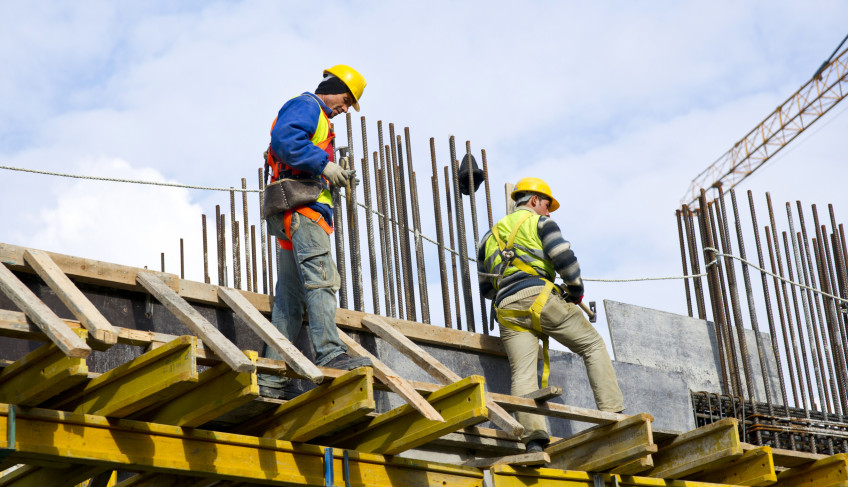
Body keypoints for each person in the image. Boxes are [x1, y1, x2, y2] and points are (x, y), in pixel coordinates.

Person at [477, 177, 624, 453]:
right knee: (592, 345)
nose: (548, 211)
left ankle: (533, 440)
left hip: (506, 309)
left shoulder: (488, 237)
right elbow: (564, 258)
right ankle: (613, 414)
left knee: (522, 373)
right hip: (541, 298)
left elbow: (486, 288)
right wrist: (576, 291)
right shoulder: (540, 223)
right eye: (546, 205)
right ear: (533, 201)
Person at [258, 65, 372, 399]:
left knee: (290, 302)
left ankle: (271, 378)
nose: (346, 108)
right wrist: (324, 165)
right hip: (303, 213)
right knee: (323, 281)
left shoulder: (319, 119)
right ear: (332, 87)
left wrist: (331, 171)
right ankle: (331, 353)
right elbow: (285, 140)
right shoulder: (308, 106)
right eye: (346, 99)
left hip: (293, 213)